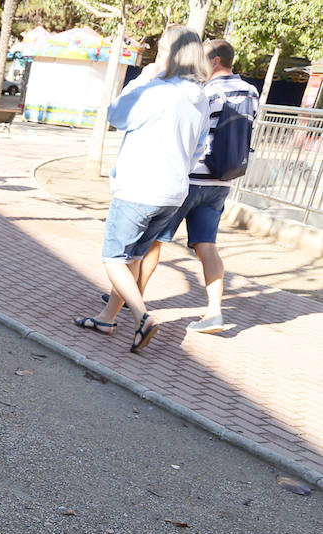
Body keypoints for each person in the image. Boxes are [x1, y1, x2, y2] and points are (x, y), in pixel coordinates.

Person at [102, 38, 260, 335]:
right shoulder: (250, 92)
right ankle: (214, 311)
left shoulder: (203, 92)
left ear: (213, 62)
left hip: (186, 181)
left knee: (148, 246)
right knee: (207, 246)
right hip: (221, 182)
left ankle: (134, 303)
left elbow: (128, 117)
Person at [73, 26, 209, 354]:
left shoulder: (157, 91)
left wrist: (142, 79)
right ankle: (107, 318)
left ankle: (142, 316)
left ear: (170, 55)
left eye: (161, 49)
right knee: (133, 256)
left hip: (140, 188)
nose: (157, 56)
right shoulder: (201, 97)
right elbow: (199, 148)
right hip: (174, 191)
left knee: (113, 258)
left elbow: (117, 115)